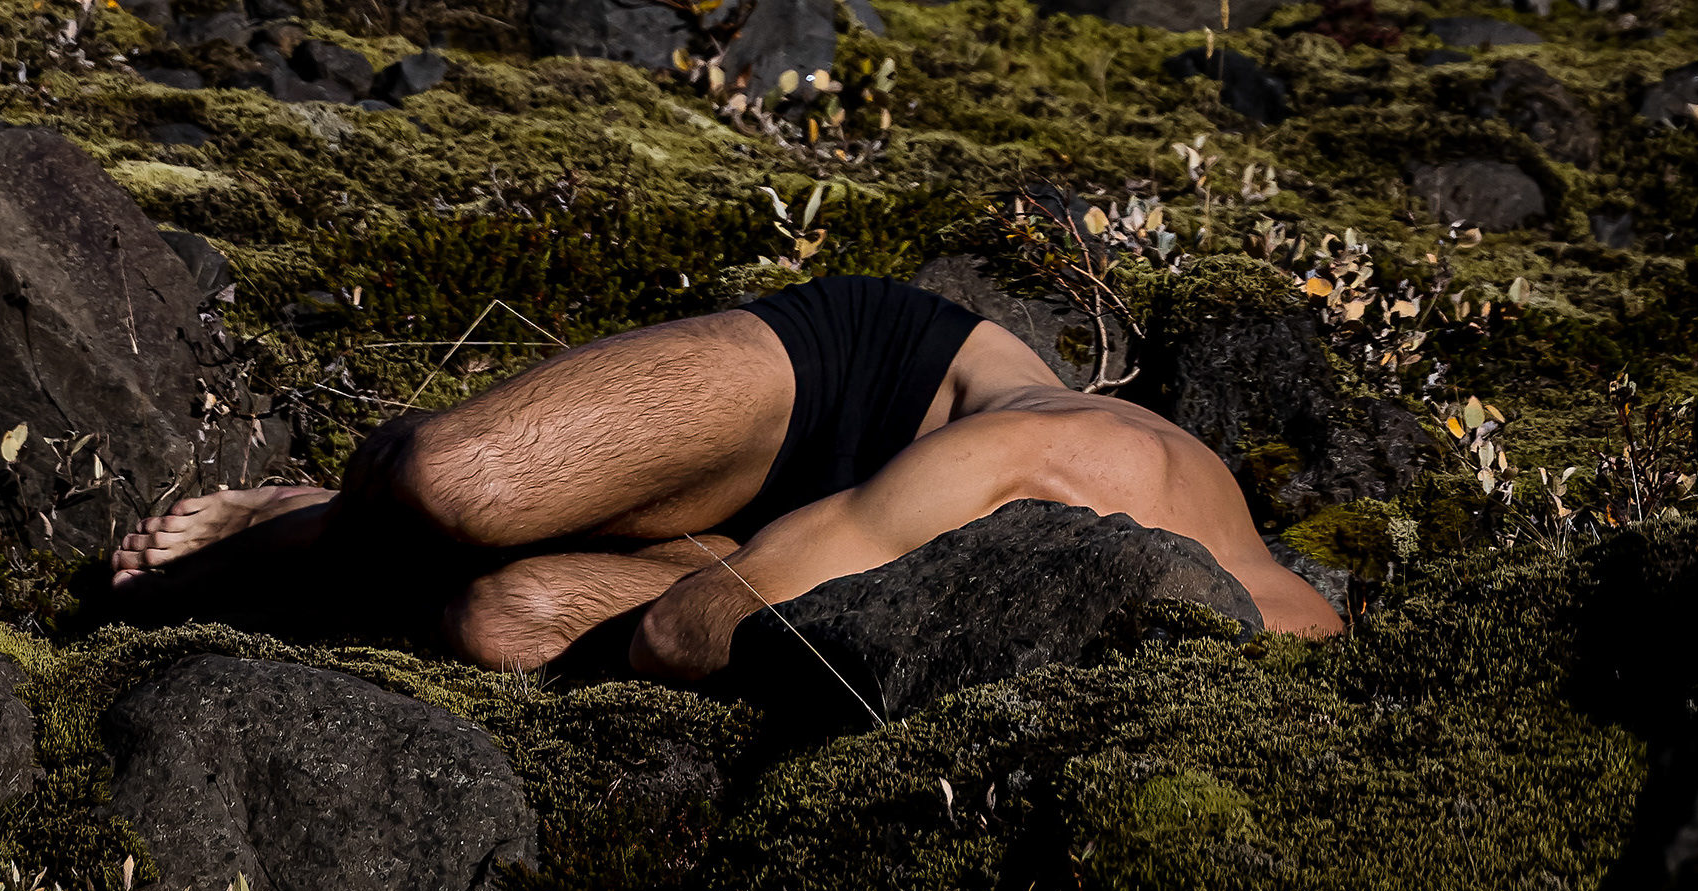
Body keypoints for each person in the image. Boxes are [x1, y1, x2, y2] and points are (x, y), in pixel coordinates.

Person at [106, 272, 1345, 679]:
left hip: (841, 553)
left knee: (502, 619)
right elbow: (684, 630)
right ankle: (323, 511)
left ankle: (369, 568)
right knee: (456, 481)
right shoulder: (1046, 461)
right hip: (852, 397)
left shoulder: (1283, 628)